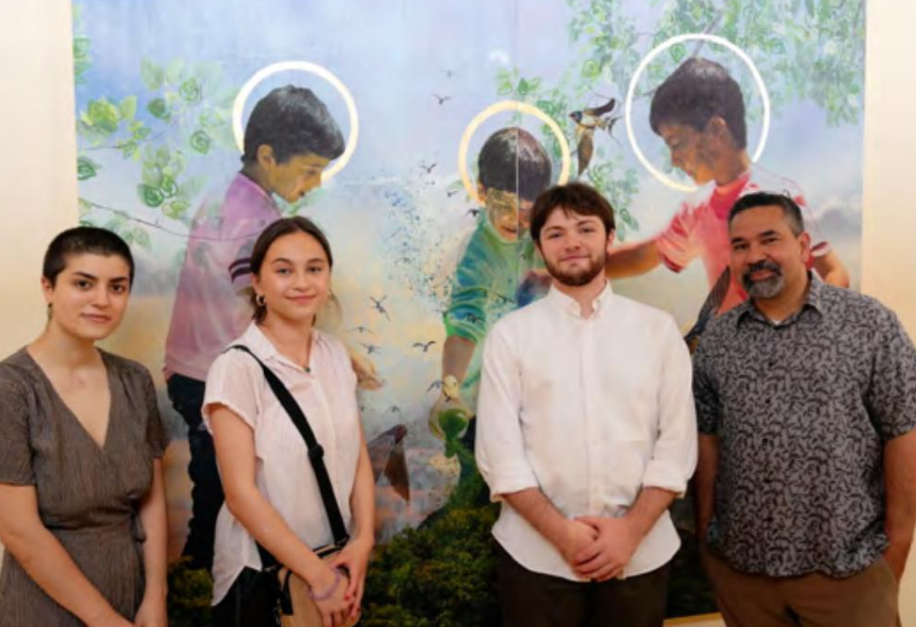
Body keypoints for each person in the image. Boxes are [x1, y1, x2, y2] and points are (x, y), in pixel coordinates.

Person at [164, 85, 376, 571]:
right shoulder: (254, 218)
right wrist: (329, 351)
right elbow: (265, 307)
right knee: (225, 491)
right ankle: (223, 575)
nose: (317, 183)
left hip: (189, 365)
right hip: (217, 375)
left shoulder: (224, 195)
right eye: (310, 169)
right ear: (266, 154)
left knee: (215, 482)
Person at [476, 182, 697, 627]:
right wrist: (564, 536)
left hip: (639, 555)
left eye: (585, 228)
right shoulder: (511, 336)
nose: (572, 242)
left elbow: (676, 447)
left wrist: (629, 532)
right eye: (555, 234)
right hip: (536, 558)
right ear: (539, 249)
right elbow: (500, 457)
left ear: (609, 237)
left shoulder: (657, 331)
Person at [693, 192, 916, 627]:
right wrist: (707, 539)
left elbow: (903, 433)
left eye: (769, 239)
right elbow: (708, 443)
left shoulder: (869, 325)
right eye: (740, 246)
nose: (754, 255)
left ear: (802, 243)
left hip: (847, 575)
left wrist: (896, 549)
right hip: (744, 576)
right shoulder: (718, 341)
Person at [204, 217, 375, 627]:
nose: (301, 282)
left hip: (334, 562)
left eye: (314, 269)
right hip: (263, 577)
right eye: (284, 270)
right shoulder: (236, 367)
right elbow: (240, 492)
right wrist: (316, 577)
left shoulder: (335, 355)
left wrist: (364, 539)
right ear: (259, 286)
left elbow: (357, 454)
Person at [0, 227, 170, 627]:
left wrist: (156, 596)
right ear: (48, 288)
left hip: (132, 593)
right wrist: (103, 620)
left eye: (117, 287)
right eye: (83, 284)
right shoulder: (11, 389)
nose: (102, 300)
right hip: (44, 604)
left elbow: (153, 500)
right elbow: (19, 530)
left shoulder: (134, 380)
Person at [605, 57, 849, 314]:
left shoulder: (778, 196)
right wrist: (579, 262)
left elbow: (833, 271)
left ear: (715, 130)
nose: (674, 161)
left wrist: (810, 328)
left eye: (676, 144)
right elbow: (642, 256)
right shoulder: (697, 210)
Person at [433, 127, 552, 440]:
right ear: (482, 192)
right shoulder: (477, 255)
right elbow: (464, 326)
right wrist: (449, 392)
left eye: (529, 210)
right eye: (508, 205)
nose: (519, 220)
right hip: (482, 398)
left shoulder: (541, 236)